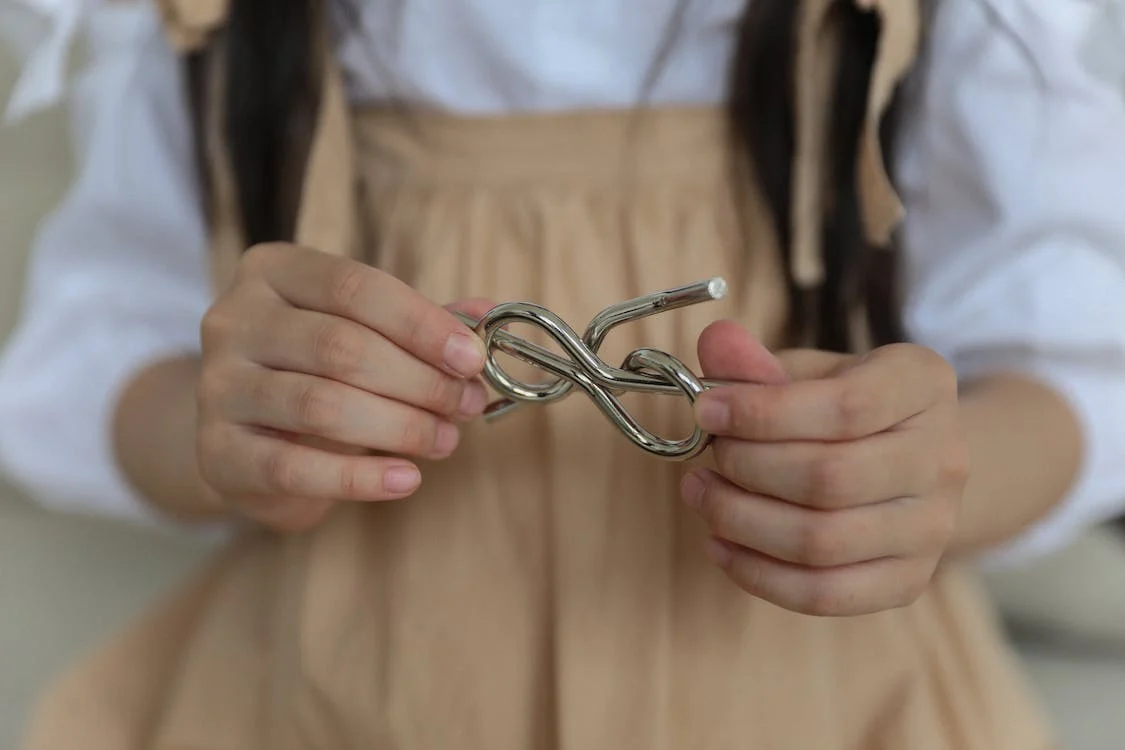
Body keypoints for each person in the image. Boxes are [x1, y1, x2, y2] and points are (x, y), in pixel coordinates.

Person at [1, 0, 1124, 747]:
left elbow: (1070, 370)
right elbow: (104, 355)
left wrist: (932, 476)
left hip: (820, 704)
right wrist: (233, 432)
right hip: (339, 695)